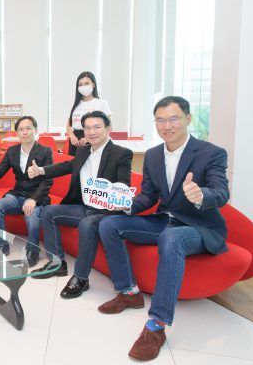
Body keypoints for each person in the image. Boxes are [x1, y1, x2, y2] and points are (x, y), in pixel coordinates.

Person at [97, 96, 229, 361]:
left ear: (188, 119)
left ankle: (156, 325)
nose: (167, 126)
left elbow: (221, 192)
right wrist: (125, 205)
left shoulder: (211, 153)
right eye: (160, 120)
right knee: (108, 224)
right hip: (165, 220)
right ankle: (129, 293)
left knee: (172, 238)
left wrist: (201, 194)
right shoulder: (153, 155)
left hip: (199, 227)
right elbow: (148, 196)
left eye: (174, 119)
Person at [28, 111, 132, 300]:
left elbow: (123, 185)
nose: (92, 132)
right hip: (84, 207)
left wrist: (116, 196)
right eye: (87, 128)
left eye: (97, 127)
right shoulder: (83, 151)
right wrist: (42, 170)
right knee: (49, 211)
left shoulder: (121, 153)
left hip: (105, 212)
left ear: (108, 129)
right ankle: (57, 263)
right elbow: (68, 166)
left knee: (87, 224)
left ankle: (81, 278)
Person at [0, 116, 53, 267]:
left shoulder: (45, 151)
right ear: (17, 133)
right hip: (17, 194)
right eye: (21, 129)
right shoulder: (12, 151)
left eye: (28, 128)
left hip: (35, 196)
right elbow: (0, 170)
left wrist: (33, 200)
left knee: (31, 217)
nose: (25, 132)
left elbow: (48, 181)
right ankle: (2, 245)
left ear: (35, 130)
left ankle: (33, 250)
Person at [66, 71, 111, 156]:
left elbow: (108, 126)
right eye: (80, 85)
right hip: (75, 142)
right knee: (74, 164)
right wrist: (72, 136)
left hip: (94, 139)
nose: (83, 87)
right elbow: (68, 126)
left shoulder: (101, 103)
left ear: (93, 84)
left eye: (86, 83)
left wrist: (87, 138)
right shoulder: (75, 104)